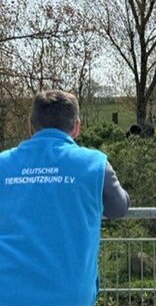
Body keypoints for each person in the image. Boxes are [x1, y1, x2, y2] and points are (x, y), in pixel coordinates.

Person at [0, 90, 130, 305]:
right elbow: (119, 207)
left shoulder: (3, 164)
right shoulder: (94, 164)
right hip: (70, 295)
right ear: (76, 126)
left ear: (30, 124)